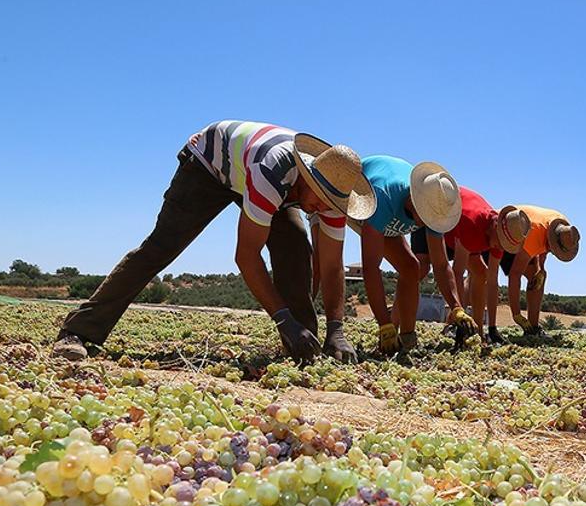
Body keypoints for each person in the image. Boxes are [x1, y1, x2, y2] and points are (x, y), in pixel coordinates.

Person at [52, 120, 376, 365]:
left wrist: (337, 328)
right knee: (162, 246)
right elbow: (246, 256)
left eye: (328, 203)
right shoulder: (272, 170)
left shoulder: (334, 196)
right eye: (318, 199)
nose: (321, 208)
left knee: (296, 252)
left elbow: (332, 266)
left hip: (266, 179)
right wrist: (282, 318)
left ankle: (304, 349)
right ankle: (79, 330)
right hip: (210, 166)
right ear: (306, 176)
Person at [352, 156, 473, 355]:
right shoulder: (384, 197)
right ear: (415, 200)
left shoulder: (435, 204)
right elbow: (371, 267)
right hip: (357, 197)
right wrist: (384, 325)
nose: (428, 223)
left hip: (387, 215)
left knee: (411, 268)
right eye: (427, 216)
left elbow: (441, 265)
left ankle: (407, 338)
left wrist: (456, 307)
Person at [411, 189, 531, 345]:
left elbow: (492, 278)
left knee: (481, 273)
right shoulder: (473, 224)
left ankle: (478, 327)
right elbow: (457, 274)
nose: (500, 247)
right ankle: (398, 324)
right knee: (418, 270)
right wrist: (459, 315)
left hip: (457, 232)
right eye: (500, 242)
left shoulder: (502, 238)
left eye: (505, 245)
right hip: (431, 217)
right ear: (495, 227)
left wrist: (488, 330)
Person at [503, 206, 580, 336]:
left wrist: (541, 269)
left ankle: (532, 328)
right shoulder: (534, 234)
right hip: (505, 230)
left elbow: (544, 248)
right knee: (482, 275)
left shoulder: (564, 230)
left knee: (538, 276)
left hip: (528, 237)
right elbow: (514, 274)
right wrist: (516, 314)